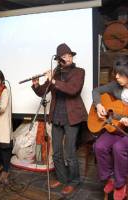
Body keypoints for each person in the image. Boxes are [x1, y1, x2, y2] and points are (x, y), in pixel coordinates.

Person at [32, 43, 87, 195]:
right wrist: (36, 84)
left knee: (69, 152)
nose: (68, 58)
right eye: (65, 56)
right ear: (58, 60)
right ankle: (62, 179)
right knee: (56, 152)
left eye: (70, 55)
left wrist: (54, 81)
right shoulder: (55, 73)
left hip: (72, 117)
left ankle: (74, 181)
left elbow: (73, 89)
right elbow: (43, 91)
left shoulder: (79, 72)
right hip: (56, 116)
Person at [93, 55, 128, 200]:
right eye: (116, 72)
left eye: (120, 73)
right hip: (116, 127)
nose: (117, 76)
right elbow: (96, 91)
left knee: (119, 148)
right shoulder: (115, 85)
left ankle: (120, 184)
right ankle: (110, 178)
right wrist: (99, 104)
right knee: (99, 146)